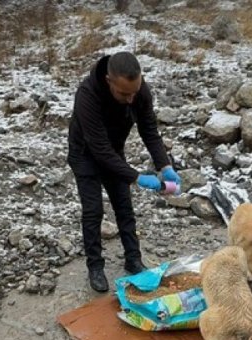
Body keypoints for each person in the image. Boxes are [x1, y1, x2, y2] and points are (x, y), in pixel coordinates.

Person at [67, 51, 180, 293]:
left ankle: (133, 259)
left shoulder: (139, 92)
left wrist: (165, 165)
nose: (131, 99)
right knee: (93, 210)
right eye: (124, 94)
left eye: (134, 92)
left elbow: (149, 129)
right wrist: (136, 177)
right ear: (109, 81)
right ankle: (95, 267)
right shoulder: (87, 95)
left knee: (124, 205)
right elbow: (99, 149)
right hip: (85, 154)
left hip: (114, 151)